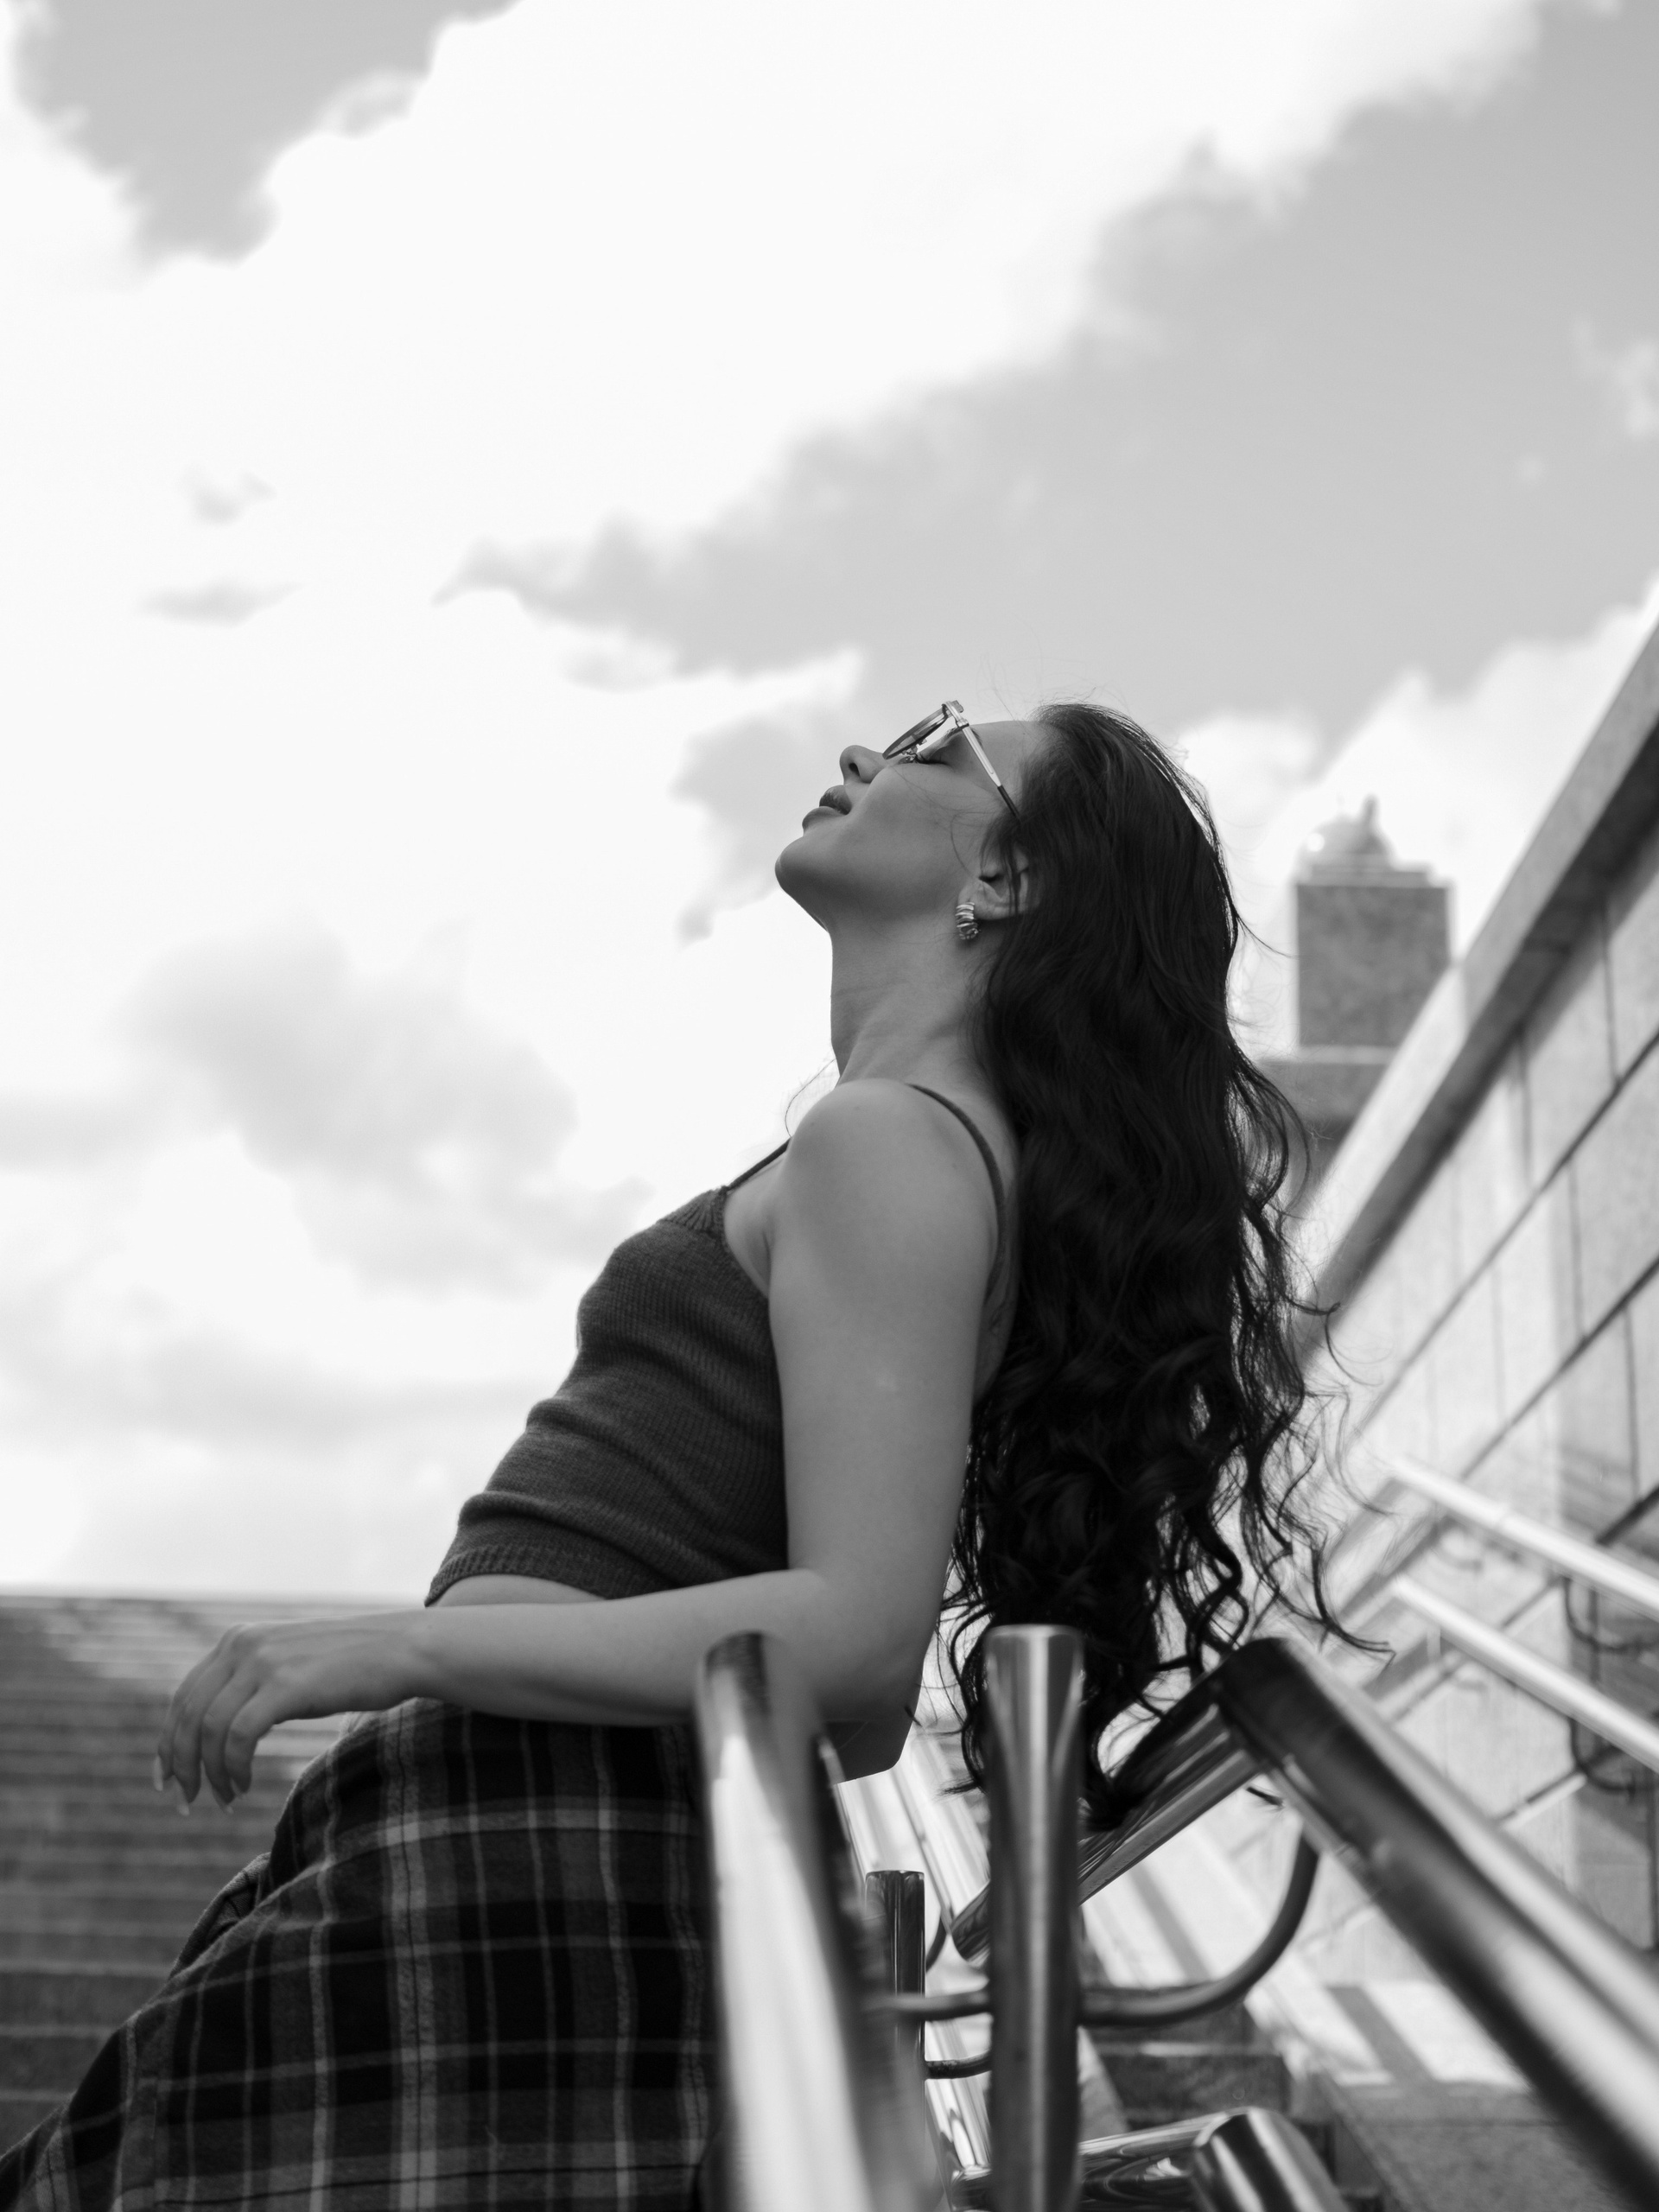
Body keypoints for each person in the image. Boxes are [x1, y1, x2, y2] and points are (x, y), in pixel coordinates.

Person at [0, 701, 1331, 2210]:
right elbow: (856, 1694)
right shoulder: (904, 1142)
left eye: (935, 741)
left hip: (543, 1842)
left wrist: (392, 1648)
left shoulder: (892, 1143)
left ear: (1005, 877)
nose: (867, 754)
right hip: (544, 1832)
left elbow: (857, 1645)